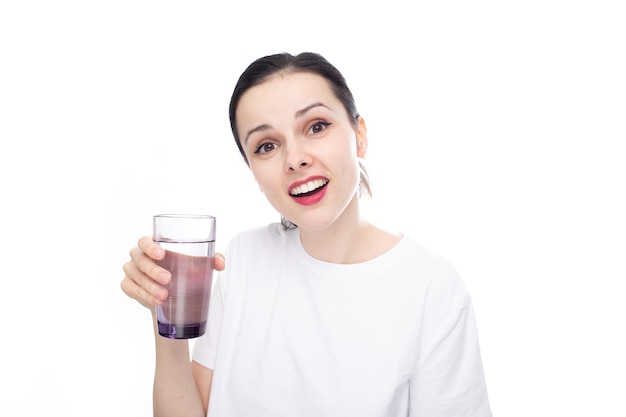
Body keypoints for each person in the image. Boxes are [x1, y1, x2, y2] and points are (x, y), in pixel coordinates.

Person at [121, 52, 492, 417]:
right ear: (253, 170)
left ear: (359, 135)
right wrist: (165, 315)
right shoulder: (244, 258)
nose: (294, 159)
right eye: (266, 146)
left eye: (316, 127)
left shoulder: (431, 288)